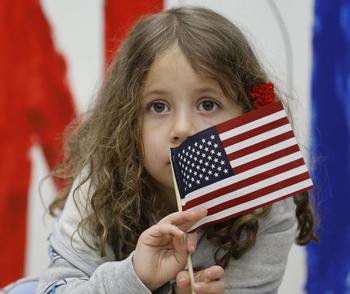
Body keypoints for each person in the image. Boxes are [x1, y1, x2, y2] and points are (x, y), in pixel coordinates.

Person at [37, 6, 317, 294]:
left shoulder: (266, 207)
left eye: (208, 104)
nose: (182, 129)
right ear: (125, 121)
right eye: (158, 106)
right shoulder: (99, 184)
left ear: (245, 114)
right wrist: (134, 278)